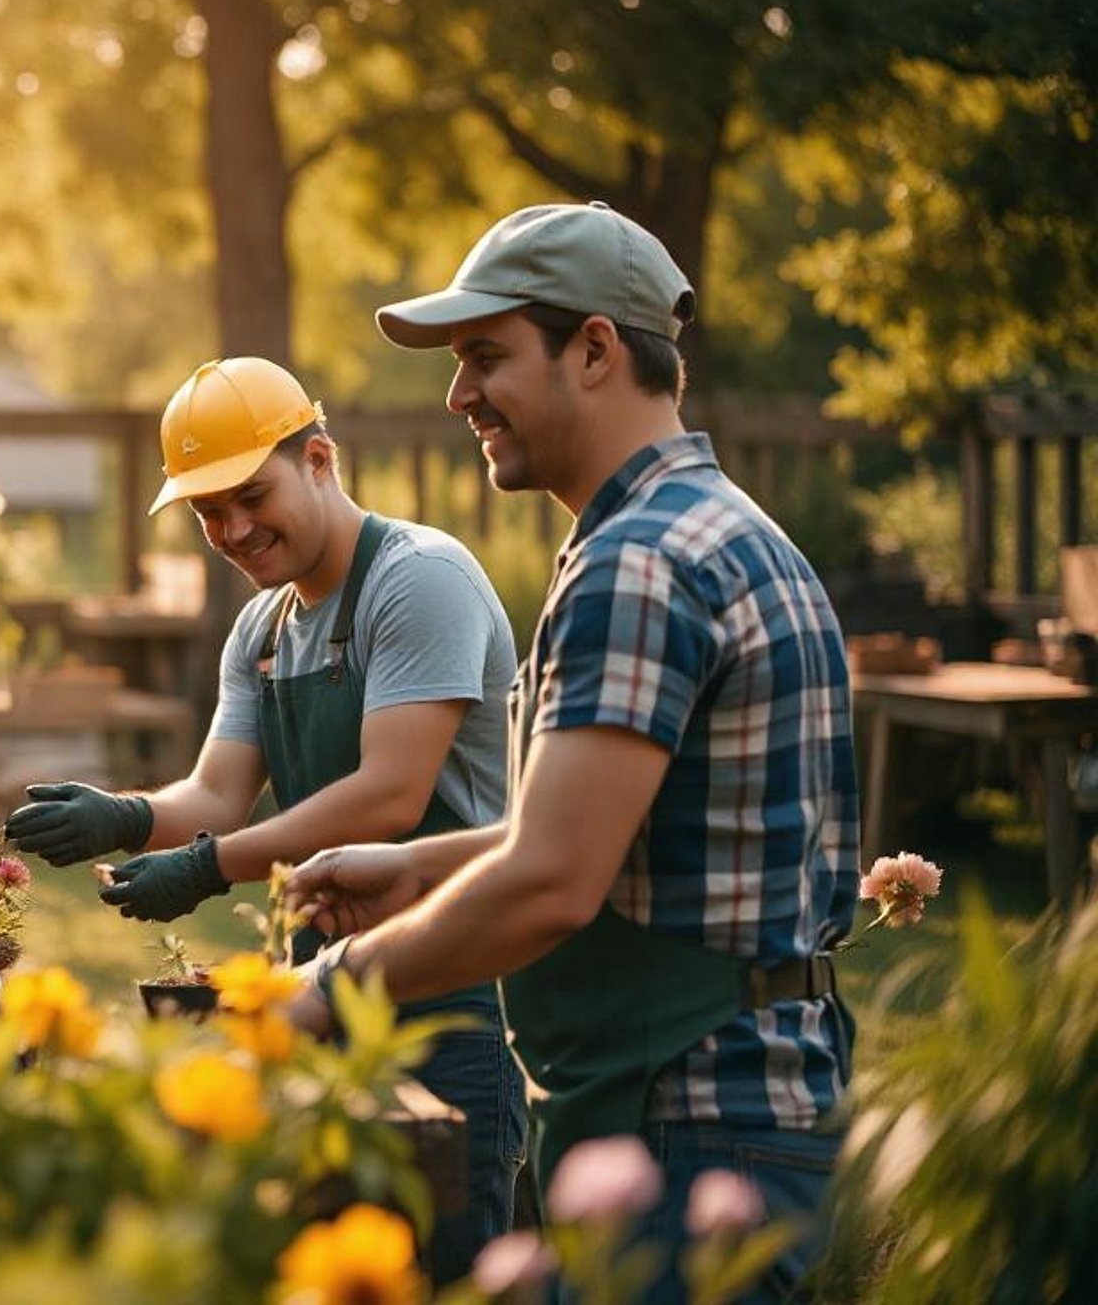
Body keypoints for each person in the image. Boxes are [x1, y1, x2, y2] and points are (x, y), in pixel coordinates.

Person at [282, 203, 858, 1300]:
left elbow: (552, 879)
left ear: (594, 349)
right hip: (736, 1121)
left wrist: (336, 982)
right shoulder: (720, 528)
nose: (459, 397)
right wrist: (415, 868)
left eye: (486, 357)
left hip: (688, 1130)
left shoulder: (638, 564)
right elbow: (615, 825)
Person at [2, 356, 526, 1284]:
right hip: (319, 999)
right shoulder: (265, 628)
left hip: (454, 990)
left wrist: (207, 868)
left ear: (319, 458)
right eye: (209, 512)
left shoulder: (419, 581)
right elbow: (215, 794)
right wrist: (125, 816)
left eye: (251, 495)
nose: (235, 530)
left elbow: (389, 796)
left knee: (443, 1271)